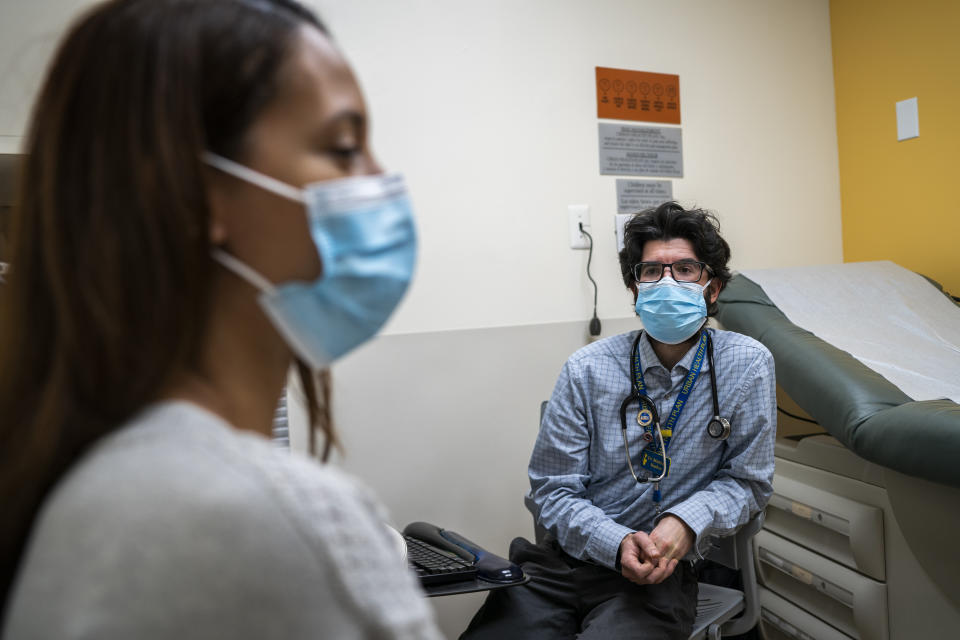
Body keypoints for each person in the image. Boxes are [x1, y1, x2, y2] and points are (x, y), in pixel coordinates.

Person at [0, 1, 441, 638]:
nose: (383, 181)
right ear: (195, 192)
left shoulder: (82, 474)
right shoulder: (262, 514)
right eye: (343, 149)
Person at [462, 202, 776, 639]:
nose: (668, 282)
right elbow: (553, 489)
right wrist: (614, 542)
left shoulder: (746, 364)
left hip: (658, 575)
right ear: (635, 289)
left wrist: (686, 522)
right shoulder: (587, 369)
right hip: (562, 566)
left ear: (713, 287)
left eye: (685, 269)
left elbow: (749, 481)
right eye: (652, 272)